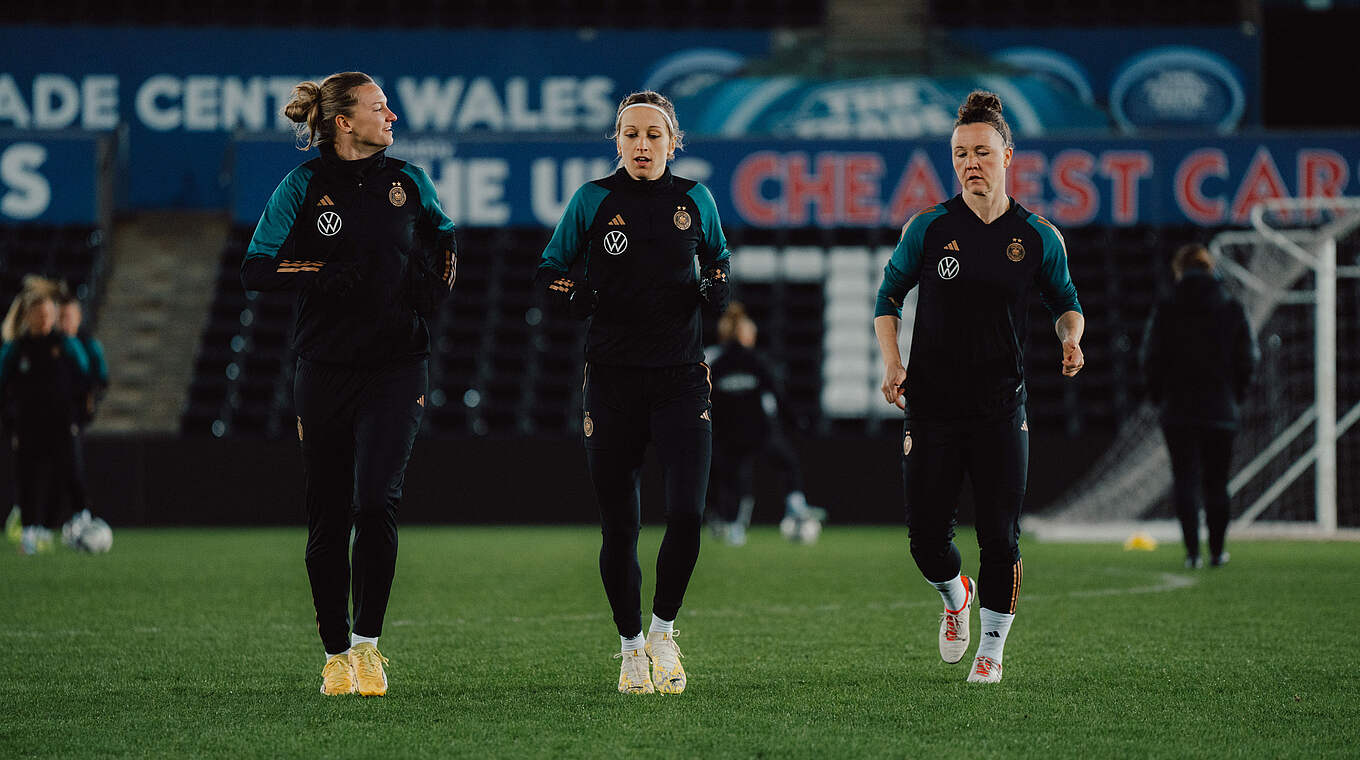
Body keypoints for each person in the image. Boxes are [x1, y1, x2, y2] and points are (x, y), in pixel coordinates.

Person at [240, 71, 457, 697]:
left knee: (375, 502)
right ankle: (335, 652)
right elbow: (258, 266)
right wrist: (320, 271)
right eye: (379, 107)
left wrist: (435, 283)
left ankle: (368, 647)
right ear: (344, 122)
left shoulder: (407, 181)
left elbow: (444, 235)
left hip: (397, 365)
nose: (391, 117)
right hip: (325, 368)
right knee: (329, 513)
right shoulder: (302, 185)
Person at [873, 91, 1085, 685]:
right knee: (925, 544)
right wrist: (893, 363)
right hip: (932, 409)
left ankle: (991, 649)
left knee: (1000, 534)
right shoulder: (930, 228)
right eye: (961, 153)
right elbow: (887, 299)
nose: (971, 162)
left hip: (1001, 408)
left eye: (982, 152)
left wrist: (1071, 338)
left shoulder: (1039, 237)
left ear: (1008, 155)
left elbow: (1066, 303)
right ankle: (955, 596)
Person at [534, 90, 730, 695]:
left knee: (689, 517)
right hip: (613, 382)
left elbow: (719, 259)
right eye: (631, 135)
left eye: (654, 135)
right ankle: (630, 649)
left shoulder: (695, 198)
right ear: (616, 142)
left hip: (680, 380)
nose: (642, 146)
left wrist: (715, 286)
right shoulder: (593, 199)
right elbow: (550, 270)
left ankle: (664, 630)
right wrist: (577, 295)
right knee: (620, 526)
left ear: (673, 142)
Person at [1140, 243, 1258, 569]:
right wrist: (1236, 395)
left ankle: (1192, 553)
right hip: (1221, 408)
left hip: (1178, 409)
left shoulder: (1167, 308)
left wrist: (1158, 396)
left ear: (1179, 269)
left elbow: (1150, 358)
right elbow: (1248, 358)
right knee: (1217, 482)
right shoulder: (1232, 308)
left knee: (1185, 479)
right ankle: (1218, 552)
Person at [706, 303, 825, 546]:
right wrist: (796, 421)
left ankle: (732, 525)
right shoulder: (756, 360)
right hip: (758, 430)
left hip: (726, 433)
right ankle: (796, 506)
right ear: (745, 335)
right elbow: (777, 395)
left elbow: (706, 399)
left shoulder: (715, 364)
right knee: (787, 463)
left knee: (734, 480)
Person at [0, 281, 89, 555]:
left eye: (49, 313)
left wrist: (79, 413)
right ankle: (29, 531)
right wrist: (10, 422)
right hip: (28, 425)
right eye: (40, 313)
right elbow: (2, 385)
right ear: (28, 316)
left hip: (61, 423)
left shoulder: (65, 345)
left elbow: (85, 377)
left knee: (69, 473)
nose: (45, 318)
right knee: (28, 477)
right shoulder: (18, 349)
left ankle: (80, 521)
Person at [57, 291, 109, 544]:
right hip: (43, 417)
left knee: (71, 464)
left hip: (70, 417)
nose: (64, 321)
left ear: (78, 317)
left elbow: (100, 379)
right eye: (60, 316)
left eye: (68, 316)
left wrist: (88, 402)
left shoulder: (86, 345)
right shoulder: (48, 343)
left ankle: (82, 514)